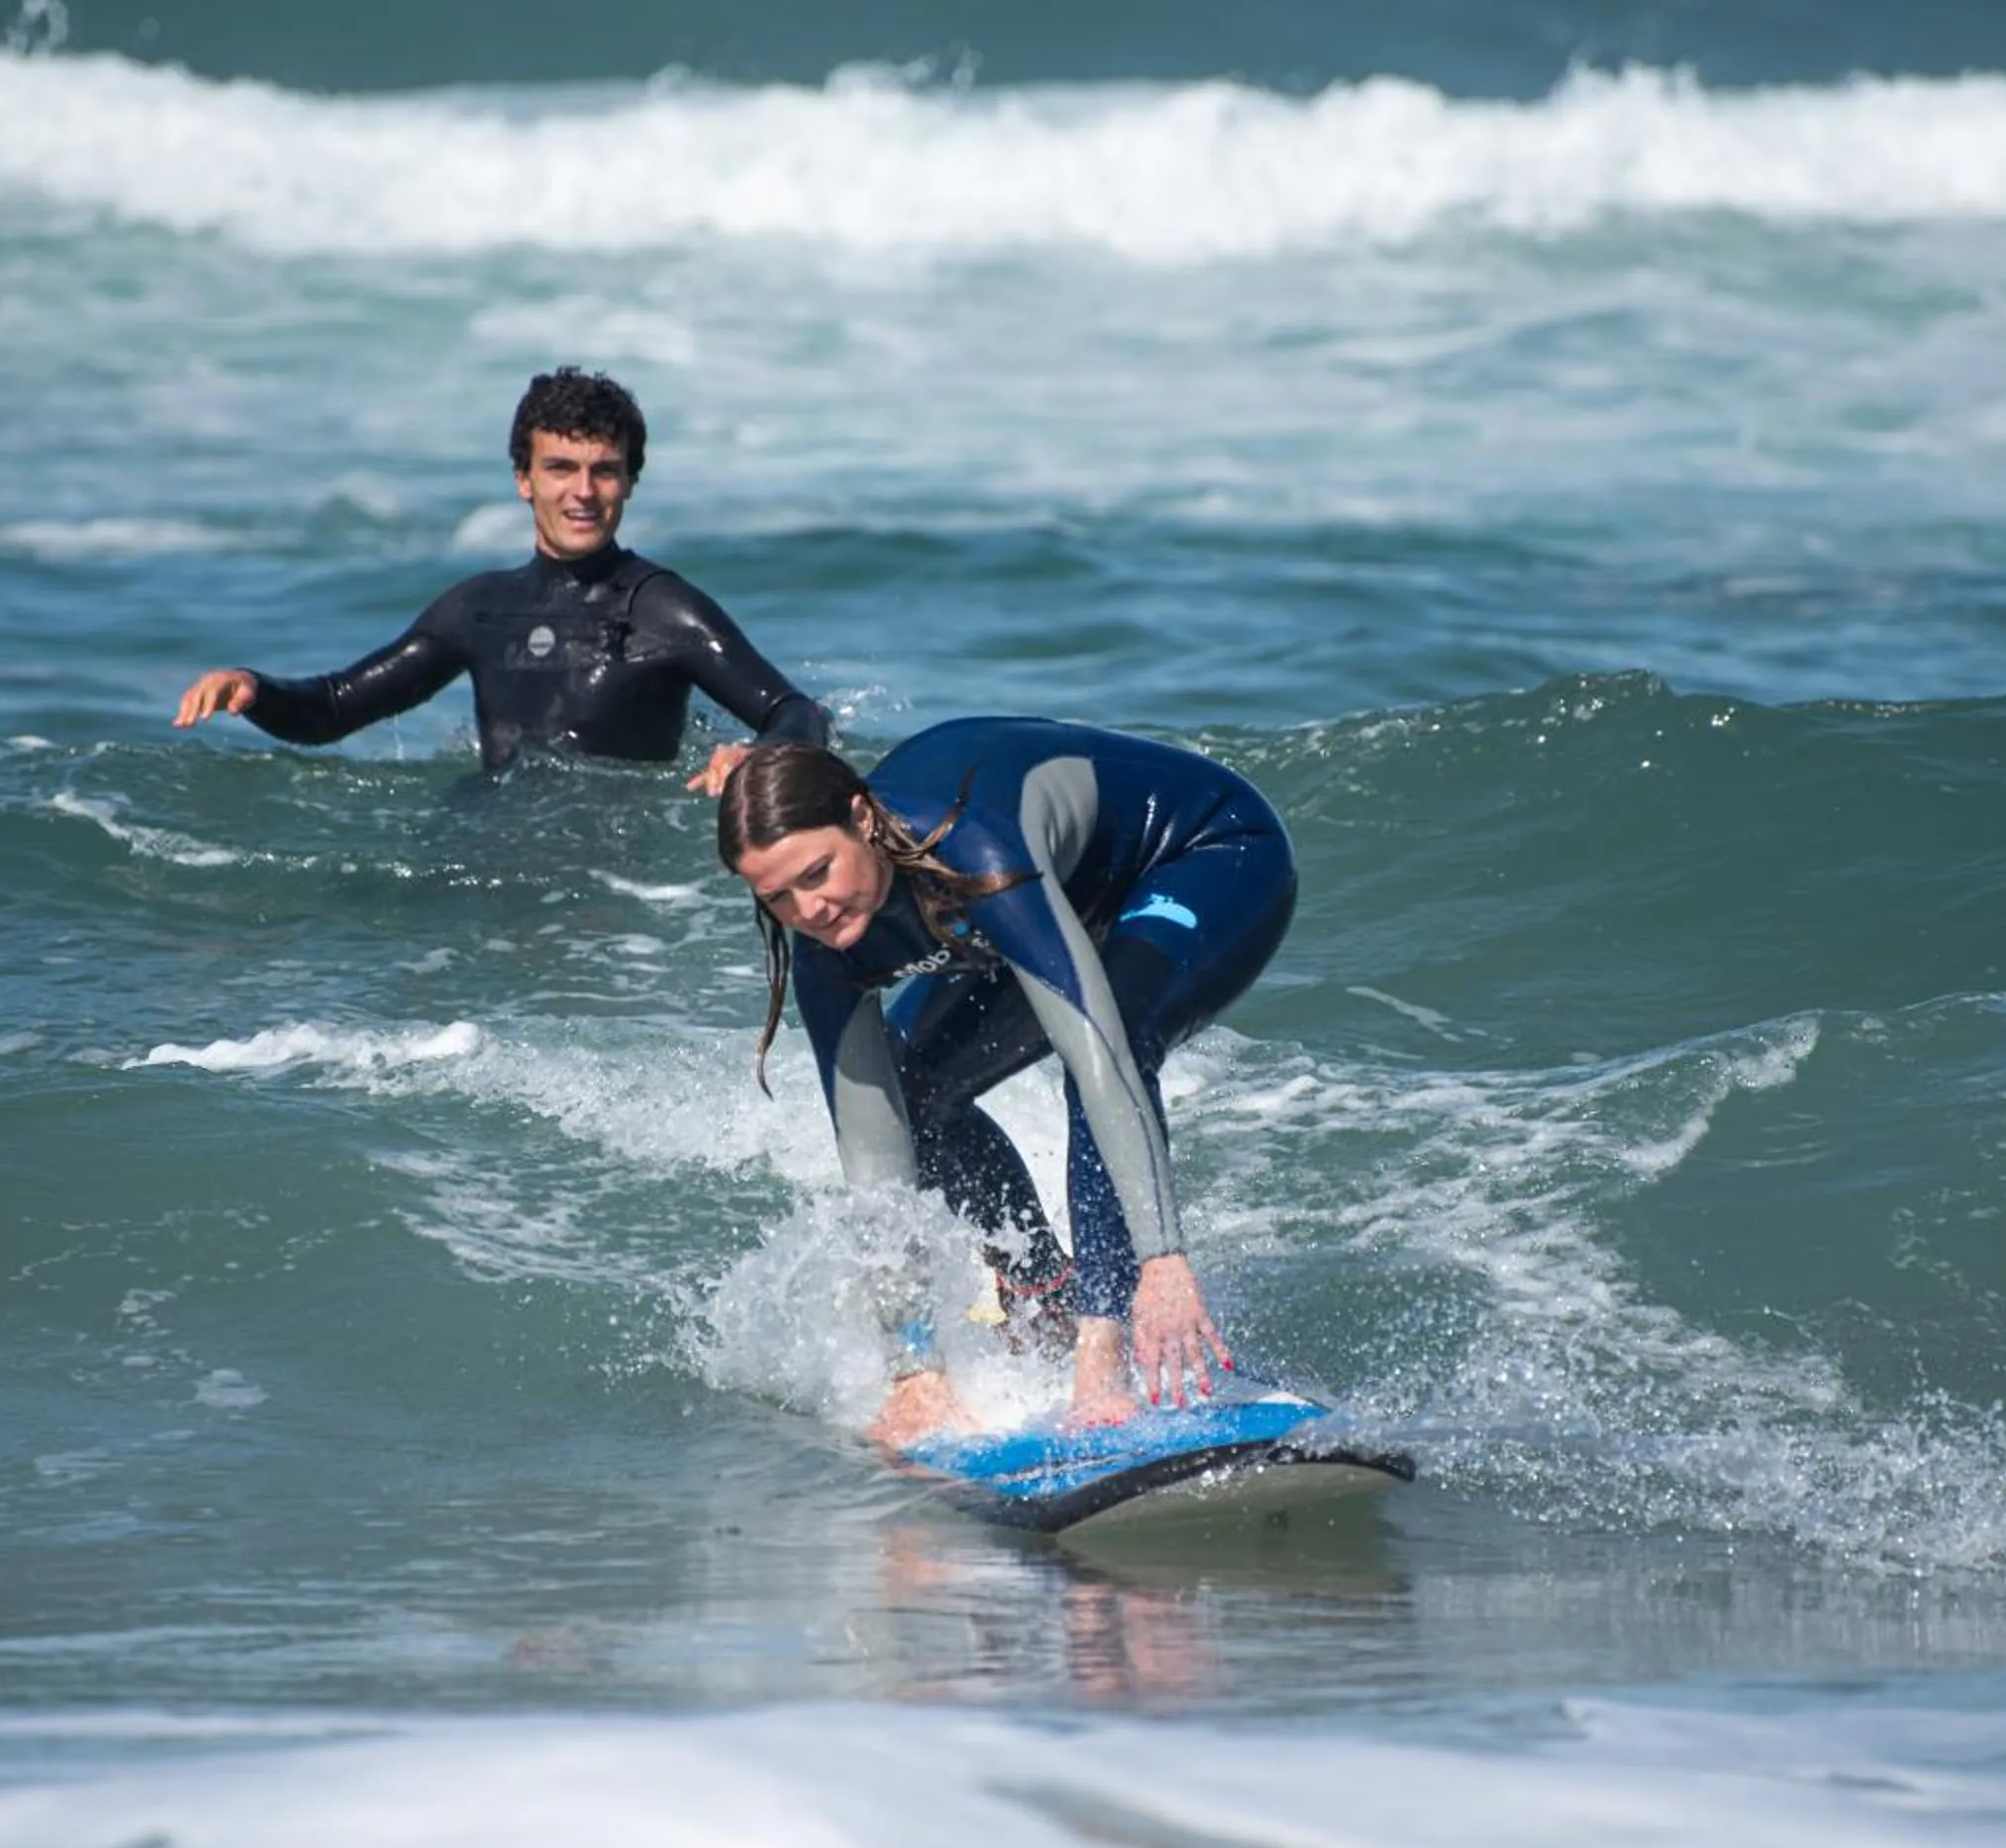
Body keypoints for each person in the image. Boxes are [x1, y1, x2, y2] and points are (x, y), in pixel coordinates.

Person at [715, 719, 1298, 1446]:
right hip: (1057, 902)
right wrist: (913, 1366)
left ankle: (1103, 1349)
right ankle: (1045, 1299)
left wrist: (1162, 1261)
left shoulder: (975, 851)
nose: (808, 911)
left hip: (1202, 855)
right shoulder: (825, 952)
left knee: (1111, 1035)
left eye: (816, 873)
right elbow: (875, 1161)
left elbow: (1101, 1060)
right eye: (776, 897)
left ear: (861, 820)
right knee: (914, 1094)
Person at [174, 367, 824, 790]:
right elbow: (337, 708)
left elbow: (795, 712)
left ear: (629, 482)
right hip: (494, 854)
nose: (583, 492)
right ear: (524, 480)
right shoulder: (480, 609)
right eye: (561, 468)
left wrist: (758, 755)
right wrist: (254, 688)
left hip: (614, 881)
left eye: (604, 470)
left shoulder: (662, 609)